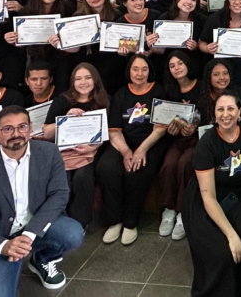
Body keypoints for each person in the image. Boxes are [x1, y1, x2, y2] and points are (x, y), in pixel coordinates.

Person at [0, 106, 83, 293]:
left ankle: (42, 259)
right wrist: (4, 246)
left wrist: (29, 234)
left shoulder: (49, 152)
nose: (16, 134)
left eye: (22, 127)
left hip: (34, 228)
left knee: (71, 233)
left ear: (30, 128)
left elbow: (59, 194)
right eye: (8, 129)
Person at [183, 90, 241, 297]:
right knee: (222, 254)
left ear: (239, 112)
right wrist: (232, 236)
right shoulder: (207, 144)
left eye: (230, 109)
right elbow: (208, 198)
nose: (225, 114)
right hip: (205, 201)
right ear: (214, 114)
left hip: (237, 196)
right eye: (220, 109)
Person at [98, 54, 172, 245]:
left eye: (144, 69)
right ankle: (114, 221)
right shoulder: (121, 94)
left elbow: (160, 128)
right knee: (106, 168)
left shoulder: (158, 91)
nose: (140, 73)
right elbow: (114, 130)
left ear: (150, 71)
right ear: (129, 71)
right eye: (135, 69)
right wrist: (125, 151)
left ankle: (130, 223)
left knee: (137, 171)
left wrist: (141, 150)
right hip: (123, 142)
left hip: (151, 142)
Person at [38, 63, 108, 229]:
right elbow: (47, 133)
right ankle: (61, 221)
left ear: (95, 80)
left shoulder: (103, 100)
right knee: (63, 178)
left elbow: (108, 134)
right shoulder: (62, 100)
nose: (83, 82)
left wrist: (93, 148)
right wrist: (65, 119)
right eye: (78, 79)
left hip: (92, 151)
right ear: (72, 82)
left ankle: (79, 224)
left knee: (83, 177)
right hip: (64, 153)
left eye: (88, 78)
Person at [156, 51, 202, 241]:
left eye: (180, 63)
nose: (177, 68)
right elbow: (164, 117)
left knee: (185, 164)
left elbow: (207, 114)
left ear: (188, 64)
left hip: (197, 139)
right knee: (169, 164)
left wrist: (195, 126)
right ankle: (169, 210)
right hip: (176, 139)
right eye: (172, 65)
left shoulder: (201, 86)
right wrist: (171, 128)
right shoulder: (168, 90)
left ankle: (183, 212)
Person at [5, 0, 77, 91]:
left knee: (61, 90)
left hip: (62, 59)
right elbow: (22, 43)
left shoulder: (68, 9)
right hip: (36, 59)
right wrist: (13, 40)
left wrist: (62, 40)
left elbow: (74, 38)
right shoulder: (26, 12)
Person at [151, 0, 206, 85]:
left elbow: (204, 44)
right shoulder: (164, 19)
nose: (189, 2)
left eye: (193, 0)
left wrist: (196, 46)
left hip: (192, 64)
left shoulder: (202, 20)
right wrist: (151, 43)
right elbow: (160, 51)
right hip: (168, 64)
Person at [196, 59, 241, 126]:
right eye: (216, 74)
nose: (222, 77)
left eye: (225, 73)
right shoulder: (203, 98)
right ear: (209, 77)